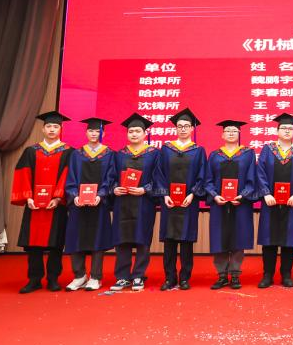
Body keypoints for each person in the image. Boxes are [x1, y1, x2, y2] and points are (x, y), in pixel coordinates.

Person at [11, 111, 72, 294]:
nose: (52, 129)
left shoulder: (68, 152)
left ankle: (53, 278)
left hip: (56, 205)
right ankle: (34, 279)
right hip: (34, 205)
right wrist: (28, 197)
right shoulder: (31, 151)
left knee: (56, 243)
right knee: (33, 243)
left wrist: (58, 197)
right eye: (49, 126)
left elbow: (68, 175)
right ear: (43, 129)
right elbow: (23, 174)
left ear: (61, 129)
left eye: (55, 126)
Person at [153, 108, 206, 291]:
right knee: (169, 240)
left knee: (186, 241)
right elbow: (159, 173)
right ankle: (169, 277)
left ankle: (184, 278)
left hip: (188, 202)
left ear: (192, 128)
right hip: (169, 202)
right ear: (175, 128)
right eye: (180, 126)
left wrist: (193, 194)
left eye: (186, 126)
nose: (183, 129)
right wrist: (165, 194)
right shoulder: (166, 149)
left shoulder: (198, 151)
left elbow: (202, 175)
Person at [255, 113, 293, 288]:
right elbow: (260, 172)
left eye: (290, 129)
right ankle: (267, 275)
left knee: (289, 239)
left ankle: (286, 274)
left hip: (291, 202)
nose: (287, 131)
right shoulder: (268, 149)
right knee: (269, 239)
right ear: (277, 131)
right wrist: (266, 193)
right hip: (270, 202)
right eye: (284, 128)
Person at [63, 117, 115, 292]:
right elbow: (71, 178)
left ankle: (95, 277)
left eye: (97, 131)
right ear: (86, 133)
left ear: (103, 133)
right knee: (76, 238)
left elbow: (110, 178)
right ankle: (79, 275)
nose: (94, 134)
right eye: (91, 131)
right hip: (78, 204)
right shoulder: (77, 154)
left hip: (99, 204)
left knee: (97, 239)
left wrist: (101, 194)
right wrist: (74, 195)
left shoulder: (109, 154)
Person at [110, 113, 160, 292]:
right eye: (131, 131)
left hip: (144, 203)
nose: (134, 134)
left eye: (138, 131)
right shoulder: (119, 155)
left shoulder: (154, 154)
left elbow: (159, 178)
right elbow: (111, 176)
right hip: (122, 202)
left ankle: (139, 275)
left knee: (142, 239)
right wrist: (114, 188)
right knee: (121, 239)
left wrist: (145, 189)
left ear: (145, 133)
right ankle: (122, 277)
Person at [205, 120, 257, 290]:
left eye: (234, 131)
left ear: (239, 133)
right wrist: (215, 195)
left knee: (238, 237)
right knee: (219, 238)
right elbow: (208, 180)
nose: (231, 133)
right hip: (219, 204)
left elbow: (252, 178)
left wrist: (243, 196)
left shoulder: (248, 154)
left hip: (240, 204)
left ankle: (235, 274)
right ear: (222, 134)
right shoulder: (215, 155)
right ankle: (221, 275)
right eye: (228, 130)